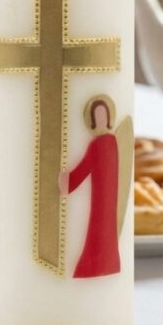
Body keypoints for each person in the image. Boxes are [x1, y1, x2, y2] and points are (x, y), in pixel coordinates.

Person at [58, 96, 120, 278]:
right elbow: (86, 166)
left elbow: (85, 167)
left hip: (107, 195)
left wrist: (68, 181)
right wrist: (68, 180)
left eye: (103, 115)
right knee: (97, 228)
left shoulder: (108, 142)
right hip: (99, 196)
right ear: (92, 120)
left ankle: (98, 267)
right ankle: (99, 267)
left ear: (108, 118)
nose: (101, 119)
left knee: (104, 229)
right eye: (97, 116)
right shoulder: (99, 143)